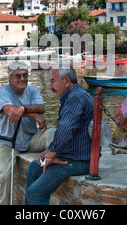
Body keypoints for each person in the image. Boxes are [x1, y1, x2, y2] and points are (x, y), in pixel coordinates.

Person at [25, 68, 93, 205]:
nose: (50, 87)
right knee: (34, 167)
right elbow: (66, 133)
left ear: (67, 81)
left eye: (53, 81)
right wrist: (47, 151)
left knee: (35, 193)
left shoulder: (76, 99)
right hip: (70, 155)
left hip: (78, 161)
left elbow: (65, 131)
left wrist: (50, 156)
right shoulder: (73, 96)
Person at [0, 61, 49, 205]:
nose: (22, 79)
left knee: (54, 133)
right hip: (8, 142)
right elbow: (9, 110)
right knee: (4, 177)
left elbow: (41, 108)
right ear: (10, 78)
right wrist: (33, 115)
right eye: (18, 76)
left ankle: (57, 160)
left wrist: (23, 109)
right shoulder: (3, 91)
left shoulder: (32, 90)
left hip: (31, 139)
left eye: (25, 75)